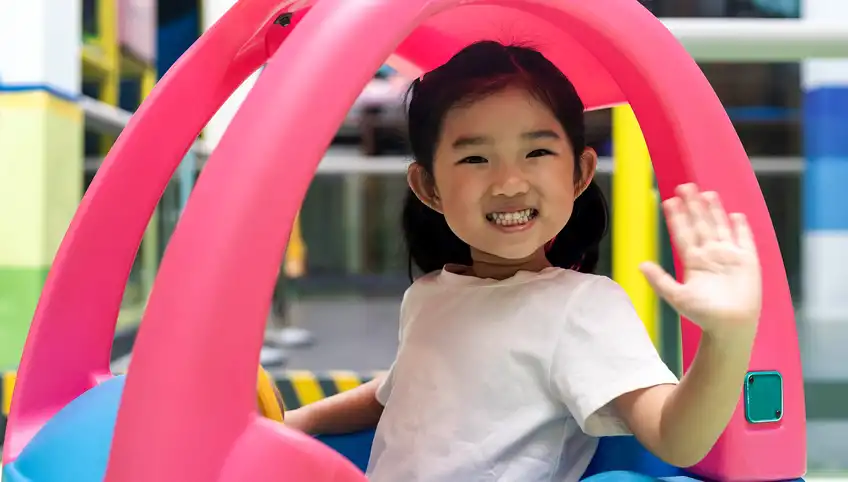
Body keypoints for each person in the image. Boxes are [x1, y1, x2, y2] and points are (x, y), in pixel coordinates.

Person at [284, 41, 762, 481]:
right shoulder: (430, 295)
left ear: (579, 173)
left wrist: (728, 339)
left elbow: (676, 436)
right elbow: (398, 391)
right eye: (475, 159)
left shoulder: (579, 306)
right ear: (429, 188)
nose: (510, 182)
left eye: (536, 151)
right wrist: (294, 422)